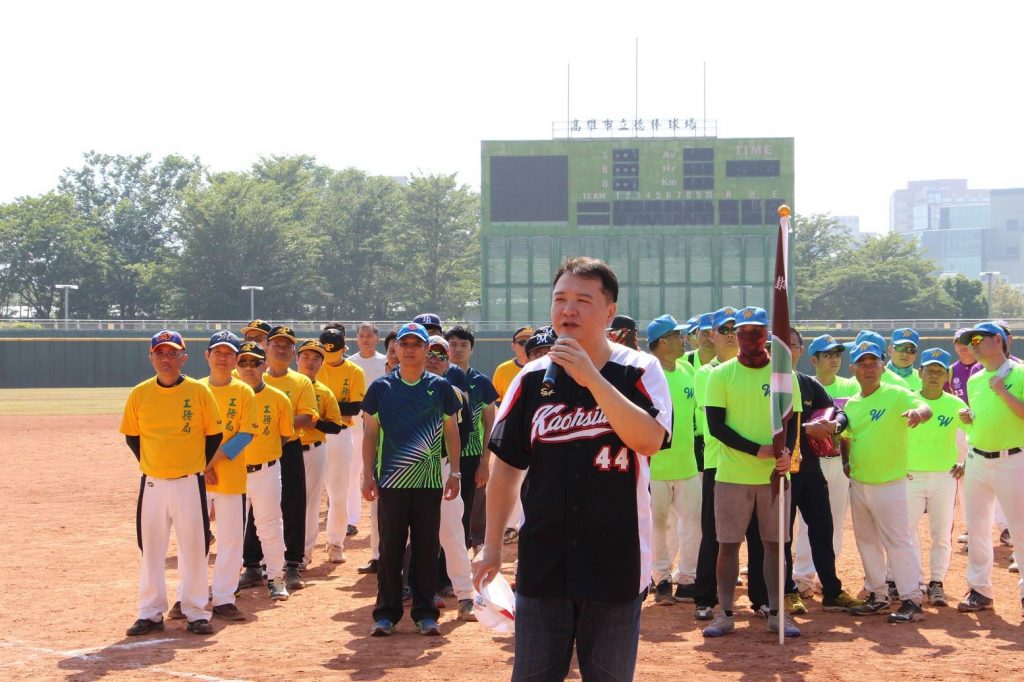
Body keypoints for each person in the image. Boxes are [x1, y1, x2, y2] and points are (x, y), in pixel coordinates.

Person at [473, 256, 671, 681]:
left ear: (609, 312)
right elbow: (506, 466)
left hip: (616, 559)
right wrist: (491, 544)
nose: (568, 310)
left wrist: (591, 378)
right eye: (560, 299)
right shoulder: (530, 378)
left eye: (583, 300)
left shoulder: (640, 369)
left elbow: (649, 440)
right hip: (545, 558)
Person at [702, 306, 800, 638]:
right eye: (741, 333)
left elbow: (792, 420)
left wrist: (786, 453)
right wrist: (757, 450)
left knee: (774, 545)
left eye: (756, 332)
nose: (748, 338)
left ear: (766, 336)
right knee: (727, 545)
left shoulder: (783, 375)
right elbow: (716, 426)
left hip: (773, 477)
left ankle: (777, 612)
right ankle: (725, 612)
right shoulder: (721, 375)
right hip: (732, 475)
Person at [362, 322, 462, 637]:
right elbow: (370, 432)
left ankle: (425, 614)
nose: (409, 350)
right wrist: (367, 474)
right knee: (389, 549)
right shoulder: (381, 388)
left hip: (429, 482)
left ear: (424, 349)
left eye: (416, 344)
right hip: (391, 482)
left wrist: (455, 472)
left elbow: (451, 431)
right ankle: (386, 615)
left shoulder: (441, 387)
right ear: (396, 349)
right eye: (404, 344)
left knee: (425, 548)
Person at [121, 330, 222, 636]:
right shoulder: (139, 393)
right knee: (151, 548)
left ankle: (195, 611)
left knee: (194, 546)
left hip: (189, 482)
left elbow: (214, 434)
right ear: (151, 357)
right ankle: (150, 612)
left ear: (183, 358)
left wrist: (193, 464)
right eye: (160, 353)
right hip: (152, 483)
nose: (166, 359)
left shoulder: (198, 392)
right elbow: (132, 436)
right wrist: (154, 463)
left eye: (172, 353)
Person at [841, 341, 932, 623]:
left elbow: (924, 406)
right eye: (863, 364)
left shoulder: (896, 394)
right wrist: (846, 462)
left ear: (882, 366)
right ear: (853, 368)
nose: (869, 368)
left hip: (890, 483)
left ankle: (911, 600)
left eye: (874, 363)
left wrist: (919, 413)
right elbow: (847, 437)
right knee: (866, 541)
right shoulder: (852, 403)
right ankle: (877, 595)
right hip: (860, 482)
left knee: (897, 541)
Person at [782, 328, 862, 615]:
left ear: (800, 351)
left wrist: (834, 426)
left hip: (810, 469)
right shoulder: (764, 384)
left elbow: (837, 412)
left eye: (792, 344)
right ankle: (787, 591)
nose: (787, 349)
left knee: (822, 527)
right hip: (778, 471)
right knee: (782, 534)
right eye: (781, 344)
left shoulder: (805, 383)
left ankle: (831, 590)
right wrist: (805, 429)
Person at [184, 331, 256, 622]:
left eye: (229, 353)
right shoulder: (194, 389)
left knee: (231, 541)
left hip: (230, 477)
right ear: (207, 356)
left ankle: (224, 598)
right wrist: (203, 466)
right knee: (194, 540)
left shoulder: (243, 392)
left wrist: (209, 463)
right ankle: (186, 597)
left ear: (237, 359)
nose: (223, 358)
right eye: (218, 352)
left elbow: (245, 435)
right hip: (194, 477)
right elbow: (187, 432)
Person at [956, 322, 1024, 614]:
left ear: (998, 340)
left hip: (1014, 459)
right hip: (977, 459)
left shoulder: (1020, 373)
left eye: (979, 339)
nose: (974, 346)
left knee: (1021, 529)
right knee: (977, 528)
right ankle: (980, 590)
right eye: (971, 342)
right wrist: (970, 418)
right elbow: (986, 418)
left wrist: (1003, 392)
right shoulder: (974, 377)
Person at [243, 325, 318, 591]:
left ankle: (292, 565)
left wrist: (277, 425)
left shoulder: (300, 382)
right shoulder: (245, 375)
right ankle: (252, 564)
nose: (282, 349)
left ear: (293, 351)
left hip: (288, 448)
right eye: (277, 344)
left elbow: (308, 417)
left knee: (293, 505)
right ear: (266, 347)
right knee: (253, 505)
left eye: (288, 345)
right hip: (251, 449)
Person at [905, 348, 966, 607]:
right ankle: (915, 580)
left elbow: (974, 435)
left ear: (947, 375)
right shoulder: (906, 400)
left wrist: (965, 462)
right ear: (919, 373)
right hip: (910, 475)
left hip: (944, 475)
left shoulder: (955, 404)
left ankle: (937, 582)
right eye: (929, 370)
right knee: (906, 532)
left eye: (939, 371)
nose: (933, 375)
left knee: (941, 532)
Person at [646, 314, 700, 605]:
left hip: (687, 464)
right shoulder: (646, 372)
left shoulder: (688, 371)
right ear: (663, 342)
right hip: (655, 465)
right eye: (678, 336)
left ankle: (688, 579)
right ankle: (661, 580)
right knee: (658, 523)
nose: (683, 340)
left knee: (694, 522)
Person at [234, 342, 293, 602]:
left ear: (264, 365)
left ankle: (276, 578)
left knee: (269, 526)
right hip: (233, 472)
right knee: (232, 530)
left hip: (266, 470)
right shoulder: (228, 396)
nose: (249, 367)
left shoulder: (279, 398)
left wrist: (264, 454)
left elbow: (284, 437)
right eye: (243, 362)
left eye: (255, 362)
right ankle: (227, 582)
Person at [424, 335, 478, 621]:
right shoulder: (398, 388)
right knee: (411, 537)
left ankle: (465, 596)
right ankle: (418, 593)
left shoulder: (454, 393)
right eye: (429, 353)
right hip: (407, 472)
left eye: (440, 354)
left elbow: (464, 432)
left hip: (442, 468)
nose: (434, 359)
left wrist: (454, 470)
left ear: (449, 361)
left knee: (452, 533)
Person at [445, 325, 499, 550]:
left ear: (472, 350)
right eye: (453, 345)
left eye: (463, 346)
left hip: (470, 454)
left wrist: (485, 462)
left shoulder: (482, 382)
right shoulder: (435, 379)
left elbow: (490, 424)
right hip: (438, 455)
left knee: (465, 507)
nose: (458, 350)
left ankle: (465, 554)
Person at [316, 326, 366, 564]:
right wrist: (335, 406)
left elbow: (354, 408)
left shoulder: (354, 371)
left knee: (339, 493)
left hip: (340, 434)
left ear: (344, 349)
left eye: (333, 353)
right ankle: (303, 551)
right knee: (310, 495)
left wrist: (324, 408)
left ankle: (335, 543)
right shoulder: (313, 366)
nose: (328, 358)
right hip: (311, 435)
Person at [294, 339, 345, 567]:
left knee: (310, 503)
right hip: (284, 450)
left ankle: (303, 555)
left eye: (316, 358)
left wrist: (312, 422)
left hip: (313, 450)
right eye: (306, 356)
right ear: (297, 359)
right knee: (279, 504)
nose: (310, 362)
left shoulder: (324, 392)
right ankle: (275, 556)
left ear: (322, 363)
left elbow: (335, 426)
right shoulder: (281, 385)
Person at [348, 322, 389, 539]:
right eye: (361, 336)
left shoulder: (385, 362)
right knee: (352, 473)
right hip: (354, 425)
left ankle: (382, 519)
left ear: (377, 338)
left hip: (380, 426)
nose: (365, 339)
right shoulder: (349, 363)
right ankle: (351, 520)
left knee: (375, 472)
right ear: (357, 339)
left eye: (369, 335)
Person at [492, 326, 534, 402]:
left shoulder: (544, 368)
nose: (528, 346)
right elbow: (496, 402)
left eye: (531, 342)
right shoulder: (503, 370)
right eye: (523, 343)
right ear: (513, 346)